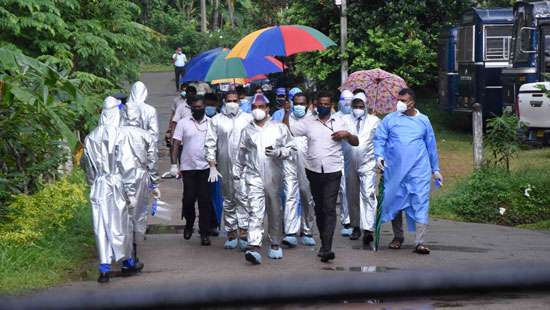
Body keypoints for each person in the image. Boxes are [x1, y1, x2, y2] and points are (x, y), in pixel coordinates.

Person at [288, 92, 359, 262]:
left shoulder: (341, 121)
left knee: (329, 207)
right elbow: (291, 129)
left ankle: (327, 247)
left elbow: (356, 142)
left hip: (333, 171)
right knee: (319, 208)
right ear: (315, 105)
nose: (323, 107)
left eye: (327, 104)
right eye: (321, 104)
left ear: (331, 105)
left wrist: (347, 135)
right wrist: (286, 111)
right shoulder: (308, 122)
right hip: (313, 170)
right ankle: (323, 241)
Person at [373, 88, 442, 255]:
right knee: (395, 202)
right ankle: (398, 236)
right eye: (399, 99)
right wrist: (379, 157)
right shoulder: (390, 119)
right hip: (395, 170)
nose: (400, 103)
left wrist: (436, 169)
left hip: (419, 170)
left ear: (412, 103)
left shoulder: (423, 120)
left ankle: (420, 242)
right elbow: (380, 139)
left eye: (404, 100)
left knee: (420, 201)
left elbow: (431, 146)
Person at [233, 94, 296, 264]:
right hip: (253, 177)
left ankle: (275, 243)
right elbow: (241, 153)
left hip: (274, 176)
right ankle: (254, 246)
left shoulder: (279, 128)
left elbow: (291, 148)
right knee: (255, 210)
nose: (258, 110)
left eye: (261, 107)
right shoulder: (247, 130)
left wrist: (279, 152)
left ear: (268, 109)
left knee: (275, 210)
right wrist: (236, 173)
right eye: (254, 107)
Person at [83, 97, 139, 283]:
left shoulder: (90, 137)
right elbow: (127, 165)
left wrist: (94, 183)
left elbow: (88, 168)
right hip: (116, 183)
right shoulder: (121, 135)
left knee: (101, 226)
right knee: (121, 224)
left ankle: (104, 267)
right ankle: (127, 261)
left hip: (98, 186)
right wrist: (131, 191)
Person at [115, 101, 160, 279]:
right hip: (140, 178)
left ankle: (126, 256)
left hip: (119, 179)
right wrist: (155, 184)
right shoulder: (146, 135)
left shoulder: (115, 134)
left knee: (122, 217)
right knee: (137, 217)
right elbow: (152, 162)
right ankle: (132, 254)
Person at [205, 91, 254, 250]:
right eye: (229, 100)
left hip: (245, 164)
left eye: (235, 100)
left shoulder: (248, 119)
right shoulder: (216, 121)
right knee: (228, 198)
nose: (232, 103)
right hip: (224, 164)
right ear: (224, 102)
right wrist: (212, 164)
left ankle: (244, 232)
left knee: (244, 197)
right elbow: (210, 142)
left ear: (239, 101)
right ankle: (231, 232)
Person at [171, 96, 213, 245]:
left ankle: (204, 233)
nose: (198, 109)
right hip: (188, 168)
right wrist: (174, 164)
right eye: (195, 107)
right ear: (191, 108)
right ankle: (189, 223)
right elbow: (175, 143)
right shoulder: (183, 123)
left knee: (205, 201)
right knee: (188, 199)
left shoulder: (211, 123)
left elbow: (216, 145)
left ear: (205, 107)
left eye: (200, 107)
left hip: (206, 168)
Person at [341, 93, 380, 246]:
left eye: (360, 106)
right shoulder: (344, 120)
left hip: (368, 163)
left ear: (366, 106)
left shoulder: (375, 121)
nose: (358, 109)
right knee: (351, 195)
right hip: (349, 162)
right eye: (355, 106)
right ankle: (356, 225)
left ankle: (368, 229)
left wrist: (380, 160)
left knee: (368, 193)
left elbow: (381, 140)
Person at [282, 92, 316, 246]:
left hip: (308, 163)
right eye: (296, 103)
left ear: (308, 104)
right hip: (289, 161)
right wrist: (286, 112)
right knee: (289, 195)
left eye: (302, 103)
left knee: (307, 196)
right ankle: (290, 232)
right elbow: (284, 132)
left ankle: (307, 230)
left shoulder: (313, 119)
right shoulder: (288, 116)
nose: (299, 106)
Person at [163, 86, 197, 179]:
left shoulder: (199, 106)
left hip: (196, 141)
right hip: (183, 142)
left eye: (192, 95)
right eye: (188, 95)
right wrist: (172, 136)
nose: (190, 97)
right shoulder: (181, 106)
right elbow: (174, 122)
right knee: (185, 166)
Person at [334, 89, 354, 236]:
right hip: (337, 157)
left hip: (353, 158)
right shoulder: (334, 118)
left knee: (352, 190)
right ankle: (346, 220)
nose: (347, 104)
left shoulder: (357, 118)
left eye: (349, 101)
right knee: (343, 190)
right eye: (344, 100)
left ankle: (354, 220)